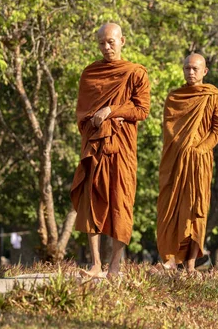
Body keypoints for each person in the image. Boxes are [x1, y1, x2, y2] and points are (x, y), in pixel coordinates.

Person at [70, 23, 150, 278]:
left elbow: (142, 110)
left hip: (122, 148)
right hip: (95, 146)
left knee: (121, 201)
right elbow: (82, 113)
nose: (107, 47)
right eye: (102, 43)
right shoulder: (90, 73)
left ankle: (115, 265)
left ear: (122, 41)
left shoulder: (136, 73)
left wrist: (112, 111)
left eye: (111, 42)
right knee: (91, 200)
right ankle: (95, 264)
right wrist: (96, 119)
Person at [156, 53, 218, 274]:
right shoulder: (175, 97)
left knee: (193, 210)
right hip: (176, 160)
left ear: (205, 71)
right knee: (171, 208)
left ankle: (189, 263)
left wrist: (198, 149)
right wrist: (183, 146)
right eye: (187, 68)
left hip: (199, 162)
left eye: (195, 69)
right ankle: (169, 258)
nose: (191, 73)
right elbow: (169, 127)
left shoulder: (215, 97)